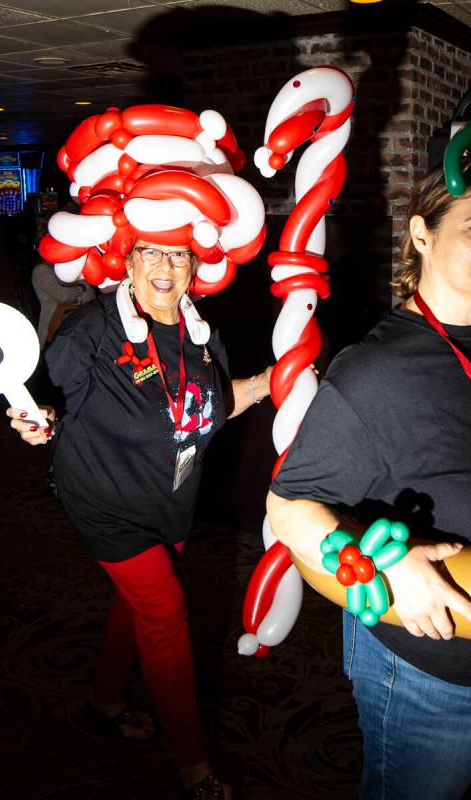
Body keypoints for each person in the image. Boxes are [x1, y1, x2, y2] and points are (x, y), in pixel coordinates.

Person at [8, 240, 272, 800]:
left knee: (136, 604)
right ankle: (193, 764)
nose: (165, 268)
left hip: (170, 501)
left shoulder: (202, 336)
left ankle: (105, 701)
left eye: (179, 257)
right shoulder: (93, 330)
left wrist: (275, 382)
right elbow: (41, 398)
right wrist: (36, 420)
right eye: (150, 253)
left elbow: (214, 407)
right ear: (127, 262)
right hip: (103, 500)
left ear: (196, 267)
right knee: (165, 611)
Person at [266, 157, 471, 799]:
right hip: (430, 673)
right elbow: (288, 506)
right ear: (421, 234)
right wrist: (390, 569)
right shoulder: (376, 372)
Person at [31, 261, 95, 348]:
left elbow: (90, 293)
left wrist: (80, 291)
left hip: (73, 323)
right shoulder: (41, 270)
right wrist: (81, 288)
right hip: (52, 328)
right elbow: (63, 296)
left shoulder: (64, 267)